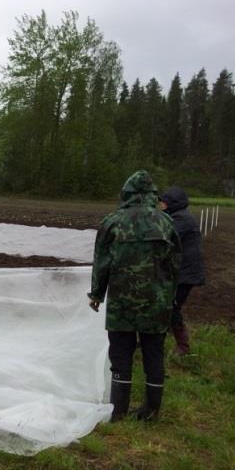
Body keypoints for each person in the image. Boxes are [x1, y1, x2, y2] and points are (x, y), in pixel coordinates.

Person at [88, 170, 181, 422]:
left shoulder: (112, 222)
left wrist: (96, 294)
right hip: (157, 303)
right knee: (154, 353)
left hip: (122, 304)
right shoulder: (166, 222)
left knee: (121, 355)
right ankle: (151, 412)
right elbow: (175, 264)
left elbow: (102, 262)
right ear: (152, 194)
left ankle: (118, 411)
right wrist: (170, 298)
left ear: (126, 193)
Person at [159, 186, 205, 356]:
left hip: (185, 274)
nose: (160, 204)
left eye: (163, 201)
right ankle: (155, 340)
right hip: (180, 272)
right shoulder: (176, 216)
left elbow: (164, 238)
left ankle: (183, 347)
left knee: (171, 307)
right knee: (164, 306)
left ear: (173, 203)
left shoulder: (181, 220)